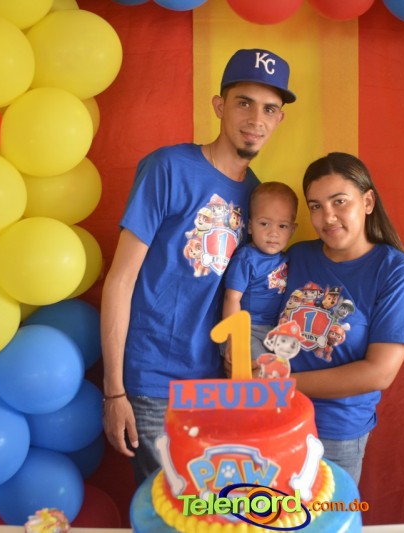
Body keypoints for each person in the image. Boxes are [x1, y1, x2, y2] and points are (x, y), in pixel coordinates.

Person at [100, 48, 296, 486]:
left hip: (216, 385)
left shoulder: (260, 198)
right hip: (154, 380)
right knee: (169, 508)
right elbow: (120, 280)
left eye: (269, 109)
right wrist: (114, 390)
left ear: (279, 119)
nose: (256, 119)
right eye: (244, 102)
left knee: (212, 507)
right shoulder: (167, 168)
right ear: (219, 105)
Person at [280, 152, 404, 484]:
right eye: (316, 206)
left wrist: (281, 385)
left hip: (335, 434)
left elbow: (380, 372)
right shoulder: (297, 256)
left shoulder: (396, 272)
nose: (327, 216)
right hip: (276, 421)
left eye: (339, 202)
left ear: (368, 201)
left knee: (327, 514)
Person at [221, 181, 298, 365]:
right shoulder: (247, 258)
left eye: (282, 226)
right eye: (264, 224)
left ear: (292, 230)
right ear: (250, 226)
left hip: (273, 331)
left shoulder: (286, 258)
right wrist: (233, 338)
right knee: (263, 368)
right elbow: (231, 298)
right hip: (246, 330)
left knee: (282, 367)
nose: (273, 233)